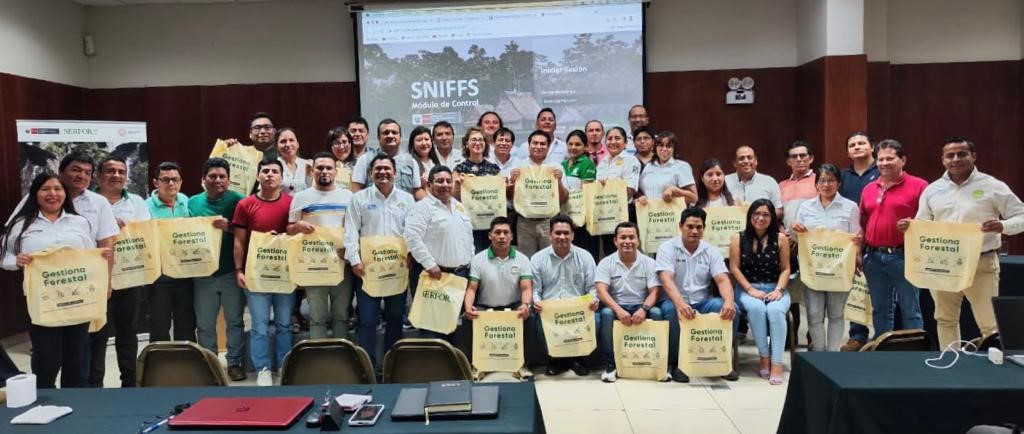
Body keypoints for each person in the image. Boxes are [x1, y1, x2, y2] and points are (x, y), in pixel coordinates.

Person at [911, 136, 1024, 349]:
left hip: (981, 263)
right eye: (950, 155)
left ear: (973, 156)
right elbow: (922, 222)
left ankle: (993, 367)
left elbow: (1021, 216)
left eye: (961, 154)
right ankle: (951, 362)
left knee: (990, 324)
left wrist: (1002, 226)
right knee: (945, 319)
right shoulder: (933, 189)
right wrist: (910, 227)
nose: (956, 159)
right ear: (943, 160)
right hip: (944, 264)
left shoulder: (993, 186)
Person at [1, 173, 112, 389]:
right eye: (45, 189)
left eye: (57, 189)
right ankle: (44, 399)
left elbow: (87, 255)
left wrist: (100, 256)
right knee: (46, 359)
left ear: (65, 194)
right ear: (35, 194)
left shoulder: (79, 222)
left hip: (78, 300)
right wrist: (17, 261)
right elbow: (4, 258)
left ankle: (73, 401)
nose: (52, 194)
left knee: (75, 359)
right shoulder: (21, 224)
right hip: (41, 302)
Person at [344, 154, 416, 366]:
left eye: (387, 168)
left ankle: (392, 364)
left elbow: (413, 231)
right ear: (370, 173)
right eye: (378, 169)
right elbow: (350, 231)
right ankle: (367, 366)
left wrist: (412, 254)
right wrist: (354, 260)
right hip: (367, 269)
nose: (383, 172)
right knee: (367, 319)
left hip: (397, 268)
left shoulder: (407, 199)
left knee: (395, 318)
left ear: (395, 172)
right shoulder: (359, 198)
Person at [656, 207, 739, 382]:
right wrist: (680, 304)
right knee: (671, 311)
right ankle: (677, 364)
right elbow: (666, 279)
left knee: (731, 309)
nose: (694, 231)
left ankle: (722, 362)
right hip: (674, 300)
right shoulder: (666, 248)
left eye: (699, 227)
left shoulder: (711, 250)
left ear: (704, 228)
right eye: (690, 226)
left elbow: (723, 280)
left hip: (702, 301)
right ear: (680, 226)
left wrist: (729, 301)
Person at [89, 156, 151, 387]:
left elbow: (145, 233)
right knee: (97, 334)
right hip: (96, 279)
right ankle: (95, 385)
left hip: (128, 277)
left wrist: (127, 226)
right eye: (110, 171)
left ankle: (129, 382)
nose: (116, 175)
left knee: (128, 332)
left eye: (121, 172)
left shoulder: (136, 202)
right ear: (98, 175)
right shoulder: (87, 201)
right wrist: (107, 224)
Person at [233, 157, 295, 386]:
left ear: (282, 177)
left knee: (284, 324)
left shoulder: (291, 203)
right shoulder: (245, 204)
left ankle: (284, 365)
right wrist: (239, 270)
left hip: (285, 274)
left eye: (274, 171)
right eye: (265, 171)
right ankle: (263, 368)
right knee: (259, 326)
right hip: (255, 275)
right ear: (258, 176)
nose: (270, 175)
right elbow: (239, 241)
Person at [860, 139, 928, 337]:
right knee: (880, 310)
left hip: (904, 256)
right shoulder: (869, 188)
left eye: (890, 158)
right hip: (873, 257)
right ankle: (883, 348)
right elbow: (863, 221)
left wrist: (914, 224)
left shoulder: (920, 186)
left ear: (903, 160)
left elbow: (932, 220)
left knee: (911, 310)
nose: (884, 163)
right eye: (880, 159)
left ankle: (913, 349)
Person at [791, 164, 862, 352]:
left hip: (839, 270)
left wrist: (857, 250)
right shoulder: (806, 206)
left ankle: (832, 355)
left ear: (839, 183)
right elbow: (798, 237)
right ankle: (820, 353)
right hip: (813, 269)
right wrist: (796, 228)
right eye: (822, 180)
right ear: (816, 184)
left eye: (831, 180)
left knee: (836, 315)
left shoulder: (850, 207)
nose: (826, 184)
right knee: (814, 316)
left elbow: (856, 237)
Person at [188, 157, 247, 381]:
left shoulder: (240, 201)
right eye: (212, 176)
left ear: (229, 180)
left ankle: (234, 363)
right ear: (203, 179)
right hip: (203, 274)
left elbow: (250, 234)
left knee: (235, 321)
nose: (218, 180)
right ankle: (210, 365)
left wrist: (230, 228)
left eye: (222, 176)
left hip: (231, 271)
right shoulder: (192, 203)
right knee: (205, 324)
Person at [287, 151, 354, 340]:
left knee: (341, 317)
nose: (324, 171)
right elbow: (289, 229)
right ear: (312, 171)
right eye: (320, 168)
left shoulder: (348, 196)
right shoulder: (300, 197)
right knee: (317, 319)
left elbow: (355, 229)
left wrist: (350, 250)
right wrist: (297, 226)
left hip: (342, 264)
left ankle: (341, 354)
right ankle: (319, 356)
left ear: (335, 172)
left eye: (329, 168)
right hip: (314, 266)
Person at [405, 165, 474, 339]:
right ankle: (431, 358)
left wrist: (470, 263)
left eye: (448, 181)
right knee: (430, 328)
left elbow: (468, 238)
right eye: (440, 181)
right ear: (429, 185)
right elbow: (412, 237)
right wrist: (430, 265)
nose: (445, 185)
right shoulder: (423, 207)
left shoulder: (459, 207)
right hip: (433, 275)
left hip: (458, 276)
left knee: (451, 327)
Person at [463, 216, 534, 379]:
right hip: (485, 307)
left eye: (506, 232)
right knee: (468, 320)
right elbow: (472, 288)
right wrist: (468, 307)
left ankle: (523, 365)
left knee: (529, 318)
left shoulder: (522, 259)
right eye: (497, 232)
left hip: (513, 306)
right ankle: (475, 366)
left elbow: (526, 287)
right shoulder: (478, 259)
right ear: (490, 236)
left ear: (512, 236)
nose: (502, 236)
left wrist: (525, 305)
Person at [729, 199, 790, 384]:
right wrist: (750, 289)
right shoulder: (738, 238)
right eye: (756, 213)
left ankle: (777, 362)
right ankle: (764, 356)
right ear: (750, 216)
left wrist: (779, 290)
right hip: (747, 288)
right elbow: (734, 268)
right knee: (757, 308)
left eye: (765, 214)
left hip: (775, 287)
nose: (760, 218)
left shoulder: (780, 238)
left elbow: (786, 269)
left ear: (772, 218)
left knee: (775, 310)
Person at [531, 214, 597, 377]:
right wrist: (536, 302)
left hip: (578, 312)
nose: (562, 237)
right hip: (550, 312)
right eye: (558, 233)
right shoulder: (538, 259)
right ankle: (556, 360)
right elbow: (535, 290)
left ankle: (579, 359)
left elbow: (592, 287)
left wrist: (593, 300)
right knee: (537, 321)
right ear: (550, 235)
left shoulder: (585, 257)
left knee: (598, 319)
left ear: (573, 235)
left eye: (566, 233)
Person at [594, 222, 661, 383]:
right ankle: (610, 364)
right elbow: (601, 291)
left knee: (657, 313)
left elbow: (655, 292)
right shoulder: (606, 262)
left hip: (641, 305)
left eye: (632, 237)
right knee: (606, 313)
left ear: (638, 240)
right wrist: (618, 310)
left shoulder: (649, 263)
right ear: (615, 241)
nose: (627, 241)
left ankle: (659, 362)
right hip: (616, 306)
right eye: (623, 237)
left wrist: (644, 309)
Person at [146, 161, 195, 343]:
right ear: (155, 182)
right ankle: (160, 359)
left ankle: (187, 358)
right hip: (159, 276)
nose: (171, 183)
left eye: (175, 179)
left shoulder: (186, 201)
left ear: (181, 182)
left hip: (184, 274)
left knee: (186, 323)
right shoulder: (145, 207)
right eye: (165, 180)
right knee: (159, 325)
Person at [839, 131, 879, 351]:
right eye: (852, 145)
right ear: (847, 152)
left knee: (881, 293)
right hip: (851, 241)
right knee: (856, 290)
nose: (857, 147)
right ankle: (857, 336)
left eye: (862, 143)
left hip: (876, 239)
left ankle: (883, 336)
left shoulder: (882, 170)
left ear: (872, 146)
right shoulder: (843, 176)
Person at [778, 141, 817, 348]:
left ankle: (814, 337)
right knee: (790, 292)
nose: (799, 159)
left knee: (813, 293)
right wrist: (783, 235)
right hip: (788, 247)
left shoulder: (820, 181)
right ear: (788, 161)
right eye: (794, 156)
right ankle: (790, 337)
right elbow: (776, 216)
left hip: (812, 247)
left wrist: (803, 237)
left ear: (811, 158)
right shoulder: (781, 186)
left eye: (803, 155)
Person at [509, 130, 569, 256]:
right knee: (526, 260)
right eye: (535, 143)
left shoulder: (556, 167)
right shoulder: (518, 166)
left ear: (548, 146)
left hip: (548, 222)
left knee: (550, 258)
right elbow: (509, 197)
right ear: (529, 145)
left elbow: (563, 199)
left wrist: (558, 181)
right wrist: (513, 182)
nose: (538, 146)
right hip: (524, 222)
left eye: (542, 144)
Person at [453, 127, 501, 252]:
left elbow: (499, 195)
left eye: (481, 140)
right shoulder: (459, 169)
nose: (477, 143)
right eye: (473, 140)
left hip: (489, 220)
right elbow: (454, 198)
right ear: (466, 144)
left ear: (485, 144)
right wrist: (458, 185)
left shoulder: (494, 168)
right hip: (468, 221)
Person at [351, 119, 425, 199]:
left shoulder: (411, 162)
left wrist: (431, 203)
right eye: (386, 133)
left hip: (403, 206)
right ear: (378, 137)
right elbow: (356, 189)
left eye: (394, 132)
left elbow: (416, 191)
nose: (390, 135)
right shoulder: (365, 159)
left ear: (400, 137)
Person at [561, 129, 598, 253]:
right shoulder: (563, 164)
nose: (573, 147)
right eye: (570, 144)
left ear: (585, 147)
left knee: (583, 252)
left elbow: (585, 194)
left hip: (582, 218)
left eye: (577, 144)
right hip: (565, 214)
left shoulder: (587, 163)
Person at [637, 131, 697, 206]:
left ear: (674, 148)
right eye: (661, 145)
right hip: (649, 211)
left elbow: (694, 197)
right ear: (655, 147)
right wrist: (640, 197)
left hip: (670, 212)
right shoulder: (649, 166)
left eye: (668, 146)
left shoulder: (682, 166)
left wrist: (675, 190)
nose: (664, 149)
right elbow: (639, 190)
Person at [725, 146, 782, 212]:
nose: (746, 161)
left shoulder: (769, 182)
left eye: (749, 158)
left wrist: (761, 213)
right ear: (734, 163)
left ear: (756, 161)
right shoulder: (725, 181)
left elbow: (779, 210)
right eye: (741, 158)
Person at [275, 128, 310, 194]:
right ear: (276, 146)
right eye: (283, 141)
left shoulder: (307, 164)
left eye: (291, 140)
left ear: (298, 144)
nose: (288, 144)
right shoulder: (272, 166)